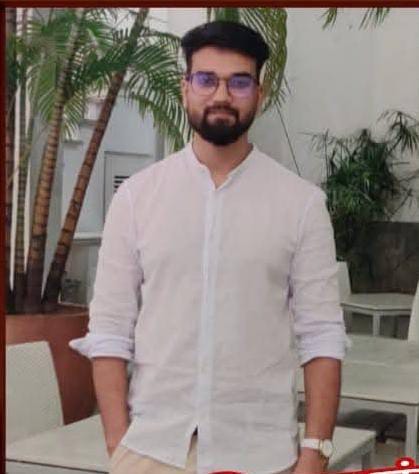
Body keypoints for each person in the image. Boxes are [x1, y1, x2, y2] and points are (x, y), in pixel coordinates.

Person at [70, 20, 347, 474]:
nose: (221, 95)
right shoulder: (138, 198)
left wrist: (315, 452)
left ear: (259, 93)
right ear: (185, 88)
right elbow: (110, 330)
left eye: (239, 82)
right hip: (152, 451)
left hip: (260, 454)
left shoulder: (301, 205)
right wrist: (118, 443)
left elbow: (321, 336)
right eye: (206, 79)